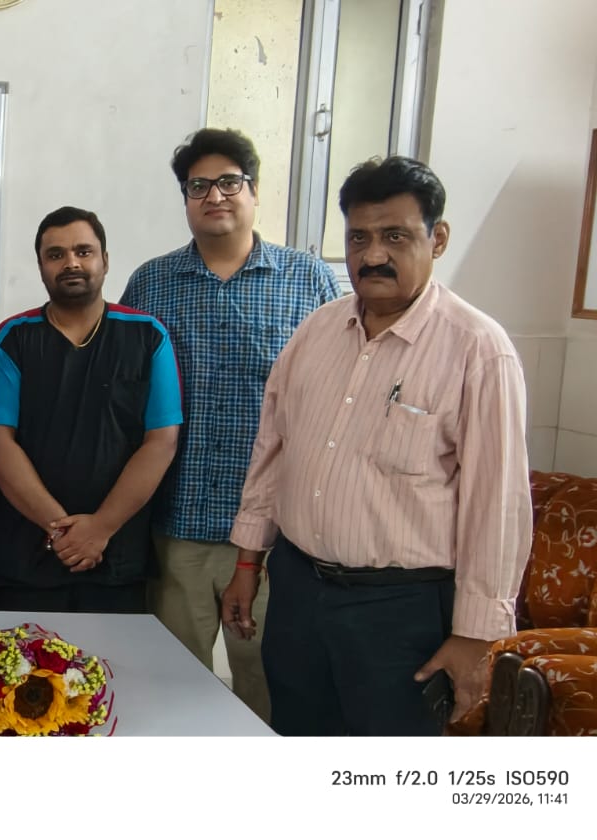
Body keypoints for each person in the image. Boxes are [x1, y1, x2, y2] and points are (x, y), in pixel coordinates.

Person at [222, 157, 532, 736]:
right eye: (359, 238)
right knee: (296, 740)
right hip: (297, 593)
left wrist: (474, 635)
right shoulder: (316, 331)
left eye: (395, 236)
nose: (372, 256)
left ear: (438, 238)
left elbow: (498, 505)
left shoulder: (478, 350)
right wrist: (248, 561)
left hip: (400, 613)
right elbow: (274, 452)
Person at [120, 128, 340, 721]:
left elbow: (334, 400)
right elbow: (127, 400)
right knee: (171, 688)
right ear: (185, 199)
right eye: (198, 186)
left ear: (254, 190)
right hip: (178, 527)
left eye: (228, 182)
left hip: (275, 536)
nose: (214, 196)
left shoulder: (309, 280)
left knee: (269, 690)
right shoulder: (151, 284)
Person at [0, 207, 182, 613]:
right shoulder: (12, 338)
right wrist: (61, 530)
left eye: (83, 251)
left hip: (115, 555)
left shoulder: (147, 334)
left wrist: (100, 527)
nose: (71, 262)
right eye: (56, 255)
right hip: (23, 557)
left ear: (105, 260)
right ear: (41, 266)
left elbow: (161, 441)